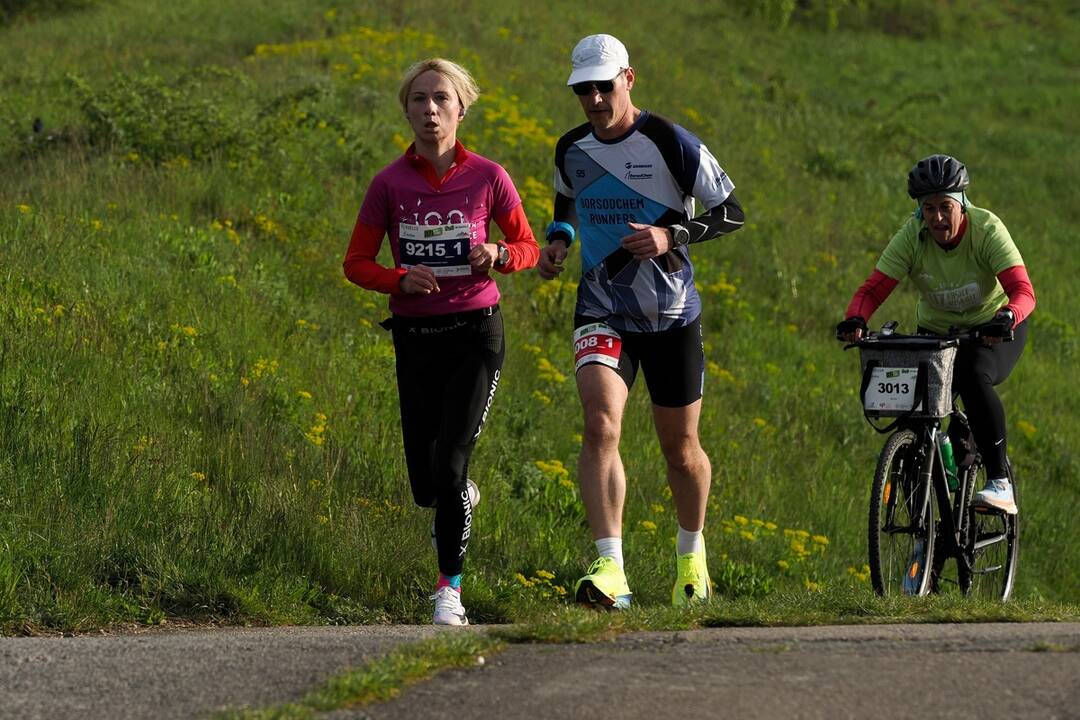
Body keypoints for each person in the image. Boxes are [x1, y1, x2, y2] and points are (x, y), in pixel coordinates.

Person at [537, 34, 745, 608]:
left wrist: (671, 234)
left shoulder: (670, 142)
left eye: (605, 86)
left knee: (681, 450)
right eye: (584, 90)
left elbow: (732, 212)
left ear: (629, 78)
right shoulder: (570, 147)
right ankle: (611, 572)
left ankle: (692, 561)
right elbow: (566, 199)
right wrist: (560, 240)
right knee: (601, 425)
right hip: (603, 306)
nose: (596, 100)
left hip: (673, 312)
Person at [343, 58, 539, 625]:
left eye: (441, 99)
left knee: (450, 464)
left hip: (476, 334)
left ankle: (448, 592)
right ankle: (457, 496)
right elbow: (355, 263)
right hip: (415, 336)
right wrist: (397, 278)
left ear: (461, 108)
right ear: (406, 110)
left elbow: (524, 245)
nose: (430, 110)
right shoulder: (389, 183)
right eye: (419, 100)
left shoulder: (488, 176)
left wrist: (499, 255)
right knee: (428, 487)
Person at [837, 153, 1036, 522]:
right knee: (916, 415)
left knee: (973, 376)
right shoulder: (912, 237)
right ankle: (926, 531)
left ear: (961, 204)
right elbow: (873, 290)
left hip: (991, 329)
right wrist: (856, 317)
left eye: (946, 207)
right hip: (937, 333)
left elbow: (1023, 291)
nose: (938, 218)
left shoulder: (987, 230)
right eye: (929, 209)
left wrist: (1006, 316)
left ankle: (998, 482)